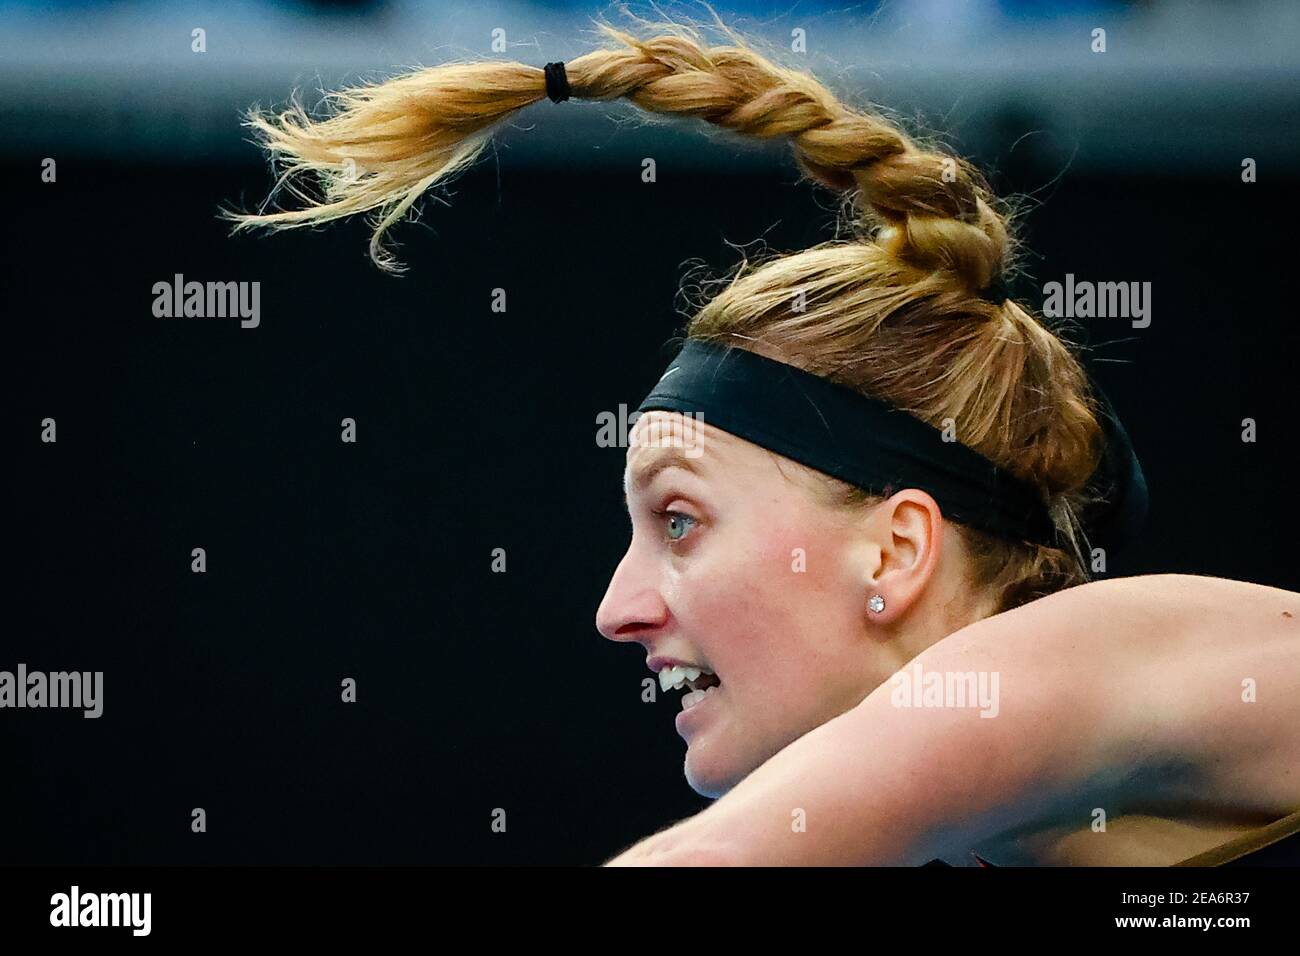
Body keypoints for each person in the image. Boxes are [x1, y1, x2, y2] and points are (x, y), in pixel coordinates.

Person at [225, 13, 1300, 866]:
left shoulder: (1067, 655)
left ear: (895, 550)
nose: (615, 608)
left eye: (681, 519)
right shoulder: (1021, 815)